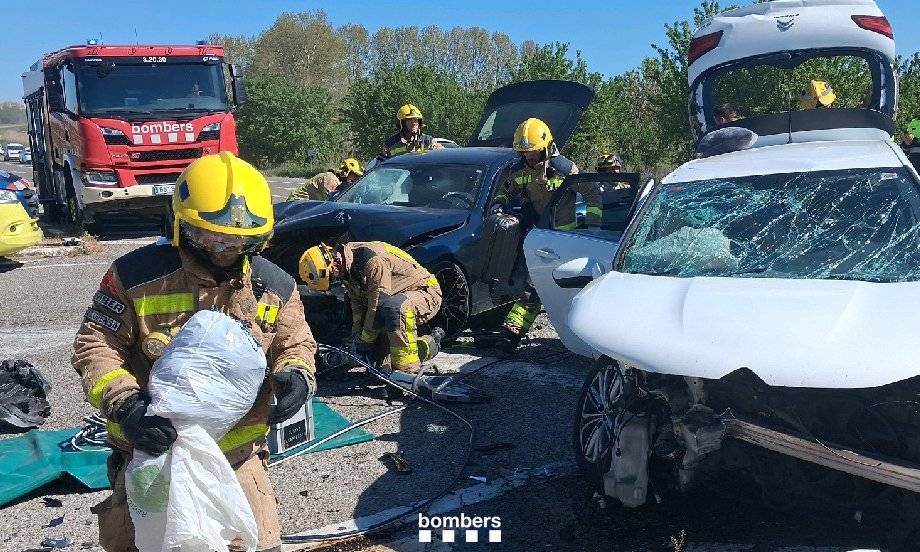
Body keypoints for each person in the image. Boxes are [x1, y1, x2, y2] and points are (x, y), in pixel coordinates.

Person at [73, 151, 317, 552]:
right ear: (180, 226)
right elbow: (95, 344)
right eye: (209, 236)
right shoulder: (136, 277)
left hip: (236, 459)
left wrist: (296, 375)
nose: (223, 249)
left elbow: (296, 342)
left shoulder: (273, 285)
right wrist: (127, 407)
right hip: (149, 454)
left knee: (255, 544)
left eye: (237, 240)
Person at [494, 118, 578, 352]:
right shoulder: (519, 170)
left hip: (568, 237)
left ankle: (581, 336)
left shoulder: (566, 169)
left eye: (533, 152)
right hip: (540, 235)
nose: (529, 157)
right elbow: (505, 191)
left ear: (546, 147)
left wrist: (595, 223)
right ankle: (511, 335)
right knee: (533, 285)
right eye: (525, 152)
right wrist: (499, 206)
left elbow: (592, 195)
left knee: (572, 287)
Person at [299, 241, 443, 375]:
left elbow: (377, 303)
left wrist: (366, 340)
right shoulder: (348, 268)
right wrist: (356, 338)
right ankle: (429, 344)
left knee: (395, 308)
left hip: (424, 292)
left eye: (332, 278)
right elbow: (358, 307)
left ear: (334, 264)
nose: (336, 281)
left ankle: (407, 373)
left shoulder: (372, 261)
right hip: (390, 302)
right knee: (379, 364)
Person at [287, 158, 364, 201]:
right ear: (346, 172)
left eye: (357, 177)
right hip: (296, 204)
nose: (356, 179)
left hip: (304, 205)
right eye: (354, 175)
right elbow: (333, 201)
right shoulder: (331, 179)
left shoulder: (335, 179)